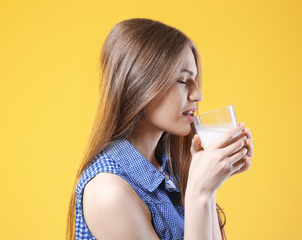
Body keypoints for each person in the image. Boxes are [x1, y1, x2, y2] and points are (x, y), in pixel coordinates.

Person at [66, 18, 254, 240]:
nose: (198, 95)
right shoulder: (109, 192)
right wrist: (199, 192)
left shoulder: (166, 169)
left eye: (195, 80)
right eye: (183, 81)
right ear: (140, 85)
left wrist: (208, 184)